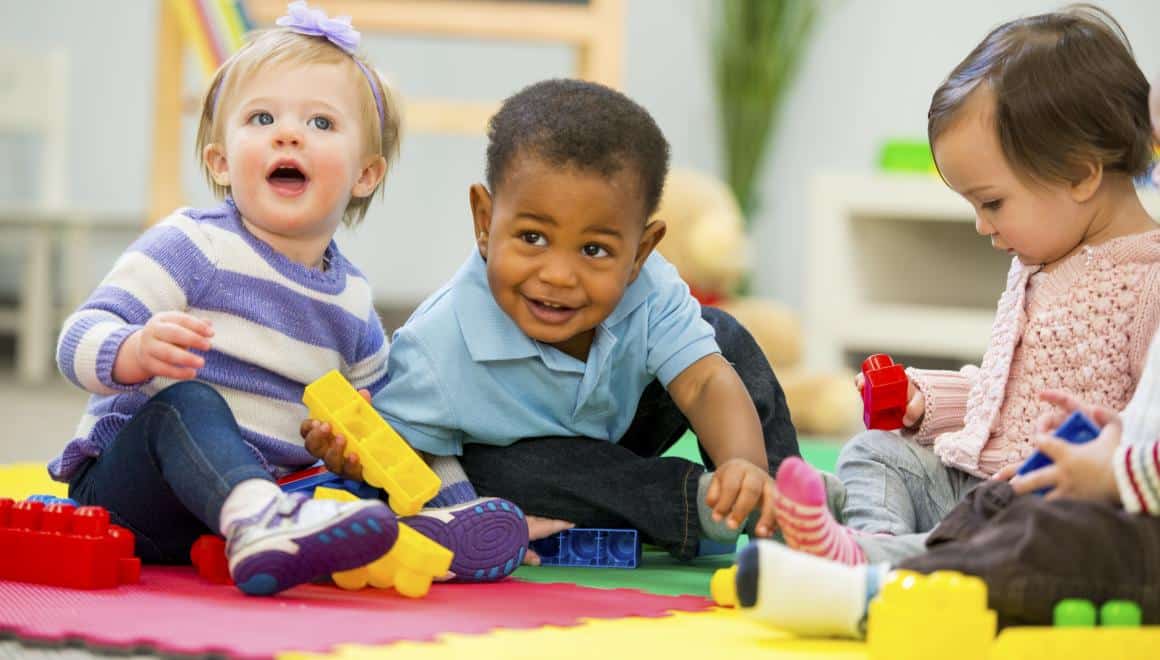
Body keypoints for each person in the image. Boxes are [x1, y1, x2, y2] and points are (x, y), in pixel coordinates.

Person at [306, 78, 801, 562]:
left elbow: (704, 384)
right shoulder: (438, 348)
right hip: (553, 471)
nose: (559, 276)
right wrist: (348, 456)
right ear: (485, 221)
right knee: (506, 474)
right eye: (532, 238)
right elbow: (397, 457)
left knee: (720, 336)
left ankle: (781, 502)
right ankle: (701, 506)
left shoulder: (649, 288)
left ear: (640, 253)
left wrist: (744, 464)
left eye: (594, 250)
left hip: (628, 425)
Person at [770, 3, 1160, 567]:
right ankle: (864, 540)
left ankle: (866, 550)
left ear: (1081, 174)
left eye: (993, 202)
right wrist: (925, 400)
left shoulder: (1146, 282)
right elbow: (1004, 397)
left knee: (1012, 532)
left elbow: (1143, 431)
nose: (982, 224)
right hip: (969, 479)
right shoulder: (1039, 262)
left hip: (1040, 501)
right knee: (876, 452)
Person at [53, 2, 404, 596]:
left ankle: (275, 529)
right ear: (220, 162)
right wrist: (132, 350)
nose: (288, 134)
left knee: (360, 485)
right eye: (262, 118)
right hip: (131, 499)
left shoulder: (354, 303)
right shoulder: (194, 244)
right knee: (187, 401)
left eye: (321, 124)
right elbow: (76, 340)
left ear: (365, 175)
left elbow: (387, 420)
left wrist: (347, 447)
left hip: (237, 511)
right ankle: (259, 518)